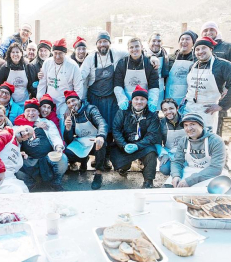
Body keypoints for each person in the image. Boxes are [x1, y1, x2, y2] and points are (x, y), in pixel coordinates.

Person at [80, 31, 129, 170]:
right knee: (96, 128)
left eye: (105, 41)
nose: (102, 44)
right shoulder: (90, 58)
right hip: (95, 98)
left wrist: (152, 59)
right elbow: (81, 77)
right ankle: (97, 157)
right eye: (100, 42)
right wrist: (81, 98)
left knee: (111, 129)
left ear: (109, 43)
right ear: (96, 44)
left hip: (111, 99)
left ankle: (107, 158)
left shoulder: (117, 53)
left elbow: (133, 53)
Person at [182, 37, 231, 133]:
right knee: (189, 139)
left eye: (203, 48)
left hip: (208, 111)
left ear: (211, 49)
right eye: (197, 49)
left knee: (207, 140)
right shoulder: (193, 66)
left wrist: (222, 105)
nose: (200, 51)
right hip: (190, 109)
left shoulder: (223, 65)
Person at [110, 85, 161, 189]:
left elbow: (152, 135)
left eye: (142, 99)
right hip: (125, 143)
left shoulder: (152, 114)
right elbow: (116, 129)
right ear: (132, 100)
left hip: (142, 145)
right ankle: (123, 168)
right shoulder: (123, 111)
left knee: (151, 153)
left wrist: (138, 146)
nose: (139, 102)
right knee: (122, 164)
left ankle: (148, 181)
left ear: (147, 101)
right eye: (136, 99)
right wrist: (123, 145)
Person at [14, 99, 67, 191]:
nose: (31, 113)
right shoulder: (18, 127)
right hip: (29, 159)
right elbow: (14, 143)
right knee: (13, 163)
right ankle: (29, 182)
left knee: (63, 158)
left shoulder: (47, 123)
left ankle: (56, 182)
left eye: (33, 110)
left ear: (38, 112)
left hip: (47, 157)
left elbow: (55, 137)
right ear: (24, 113)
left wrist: (58, 147)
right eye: (28, 111)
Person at [200, 21, 231, 136]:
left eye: (211, 30)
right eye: (205, 30)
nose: (209, 32)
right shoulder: (199, 47)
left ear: (217, 31)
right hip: (203, 95)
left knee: (217, 122)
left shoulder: (228, 47)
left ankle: (218, 148)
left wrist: (227, 88)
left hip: (221, 93)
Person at [167, 113, 228, 188]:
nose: (189, 128)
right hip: (191, 171)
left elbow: (216, 168)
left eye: (192, 124)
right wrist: (176, 175)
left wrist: (190, 181)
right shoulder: (183, 141)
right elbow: (177, 161)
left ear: (201, 125)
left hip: (210, 174)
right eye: (186, 125)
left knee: (207, 194)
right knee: (168, 188)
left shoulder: (215, 141)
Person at [63, 91, 108, 190]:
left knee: (100, 144)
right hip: (81, 141)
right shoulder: (69, 115)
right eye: (68, 103)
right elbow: (68, 140)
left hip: (94, 140)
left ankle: (98, 174)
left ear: (79, 100)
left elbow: (102, 123)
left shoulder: (90, 109)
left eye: (73, 101)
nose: (71, 104)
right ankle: (83, 160)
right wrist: (68, 128)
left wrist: (101, 136)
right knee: (67, 152)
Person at [36, 38, 83, 131]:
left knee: (62, 128)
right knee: (48, 128)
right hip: (49, 102)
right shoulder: (47, 63)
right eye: (55, 53)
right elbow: (42, 84)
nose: (57, 56)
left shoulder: (73, 65)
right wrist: (39, 101)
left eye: (60, 53)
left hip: (64, 103)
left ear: (65, 53)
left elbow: (78, 89)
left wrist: (71, 108)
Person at [0, 125, 34, 194]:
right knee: (16, 192)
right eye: (26, 129)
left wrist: (19, 155)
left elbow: (6, 154)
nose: (25, 133)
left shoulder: (17, 145)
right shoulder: (6, 134)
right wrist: (0, 170)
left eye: (28, 135)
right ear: (20, 127)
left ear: (26, 139)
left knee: (23, 189)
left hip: (7, 178)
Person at [114, 37, 159, 113]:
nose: (134, 49)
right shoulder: (122, 63)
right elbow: (117, 84)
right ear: (128, 49)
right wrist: (122, 100)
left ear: (142, 47)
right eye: (131, 47)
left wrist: (152, 101)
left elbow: (154, 86)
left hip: (143, 104)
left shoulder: (149, 63)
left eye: (137, 46)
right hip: (127, 103)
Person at [0, 43, 35, 108]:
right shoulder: (5, 68)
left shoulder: (27, 66)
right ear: (9, 54)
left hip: (24, 103)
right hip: (9, 104)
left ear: (21, 54)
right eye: (13, 52)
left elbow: (31, 86)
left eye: (17, 52)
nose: (15, 54)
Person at [165, 30, 198, 105]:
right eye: (182, 39)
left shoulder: (196, 59)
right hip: (170, 97)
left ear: (193, 43)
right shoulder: (170, 58)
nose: (184, 41)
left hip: (188, 98)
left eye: (187, 39)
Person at [157, 98, 186, 176]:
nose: (168, 112)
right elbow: (157, 142)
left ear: (177, 108)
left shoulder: (186, 120)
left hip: (186, 152)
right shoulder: (161, 124)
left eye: (171, 108)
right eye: (165, 110)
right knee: (165, 169)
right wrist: (164, 154)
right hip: (170, 153)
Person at [144, 33, 169, 109]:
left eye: (159, 41)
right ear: (148, 43)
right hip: (145, 88)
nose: (156, 43)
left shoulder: (166, 57)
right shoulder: (143, 55)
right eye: (153, 41)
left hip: (159, 91)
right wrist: (150, 57)